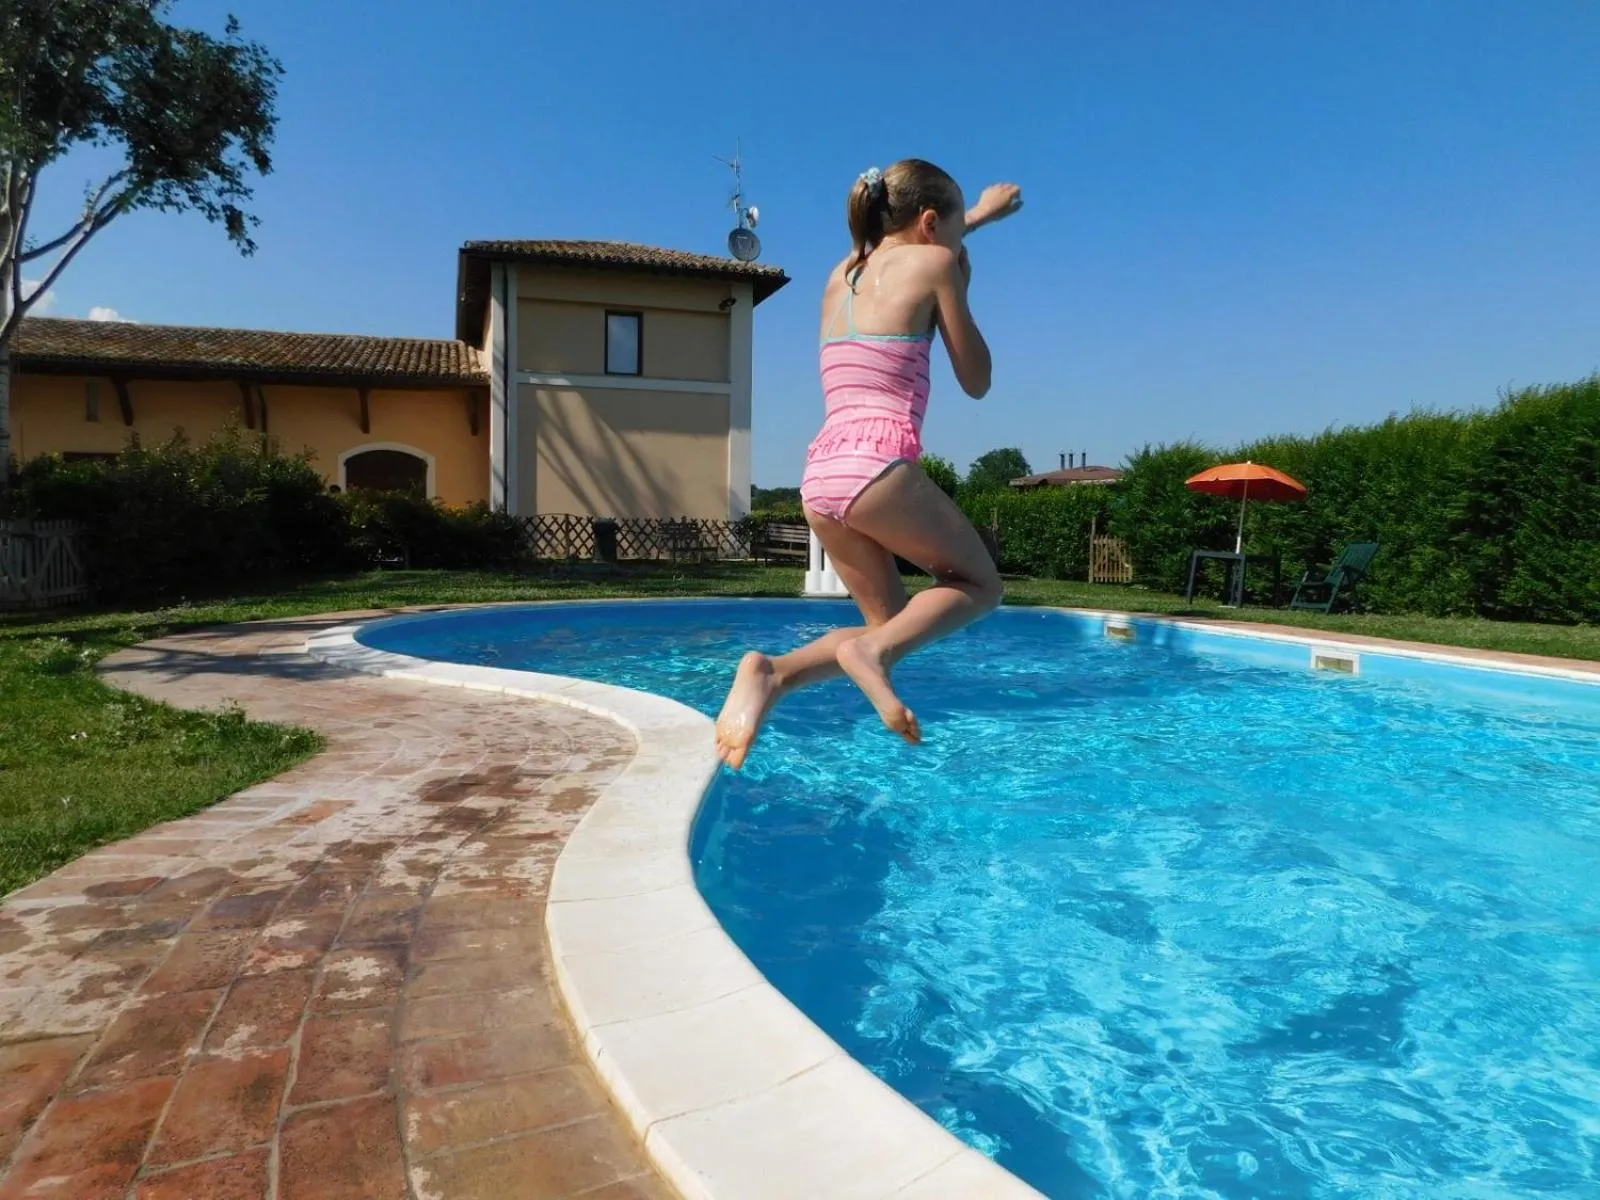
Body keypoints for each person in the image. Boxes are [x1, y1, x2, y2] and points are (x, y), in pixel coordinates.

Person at [715, 158, 1023, 769]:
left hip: (822, 476)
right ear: (934, 225)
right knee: (980, 585)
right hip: (878, 466)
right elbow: (978, 379)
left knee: (888, 630)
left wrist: (979, 216)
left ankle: (770, 674)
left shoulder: (843, 272)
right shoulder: (939, 265)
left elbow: (909, 244)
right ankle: (867, 659)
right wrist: (963, 284)